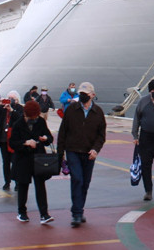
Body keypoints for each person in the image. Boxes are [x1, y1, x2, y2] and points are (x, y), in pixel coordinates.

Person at [57, 81, 106, 227]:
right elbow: (63, 131)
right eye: (80, 94)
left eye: (85, 94)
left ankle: (79, 209)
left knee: (85, 182)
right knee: (77, 179)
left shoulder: (98, 113)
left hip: (89, 153)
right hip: (73, 150)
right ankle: (76, 213)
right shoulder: (72, 109)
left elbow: (101, 135)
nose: (82, 96)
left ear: (92, 95)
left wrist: (96, 149)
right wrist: (61, 154)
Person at [9, 100, 54, 224]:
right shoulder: (18, 124)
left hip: (38, 158)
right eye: (32, 117)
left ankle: (44, 214)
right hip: (23, 159)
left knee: (40, 185)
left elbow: (50, 137)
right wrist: (25, 143)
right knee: (23, 185)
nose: (34, 119)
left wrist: (45, 139)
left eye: (36, 116)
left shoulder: (40, 121)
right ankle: (22, 212)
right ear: (26, 114)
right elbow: (12, 143)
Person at [0, 91, 24, 191]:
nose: (10, 100)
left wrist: (12, 110)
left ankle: (17, 182)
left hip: (14, 140)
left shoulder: (19, 108)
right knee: (6, 162)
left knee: (15, 162)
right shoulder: (2, 109)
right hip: (3, 140)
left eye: (12, 98)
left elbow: (20, 119)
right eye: (8, 98)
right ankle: (7, 182)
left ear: (17, 99)